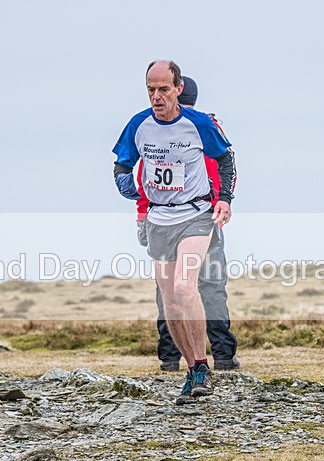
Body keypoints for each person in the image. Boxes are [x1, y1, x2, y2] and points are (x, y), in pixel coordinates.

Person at [113, 60, 237, 402]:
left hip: (197, 213)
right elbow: (122, 164)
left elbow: (226, 159)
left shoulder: (200, 123)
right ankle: (194, 367)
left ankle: (203, 366)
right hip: (157, 218)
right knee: (169, 302)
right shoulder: (138, 125)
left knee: (186, 286)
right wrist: (128, 185)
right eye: (151, 90)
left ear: (178, 88)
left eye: (163, 89)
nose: (157, 96)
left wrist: (224, 199)